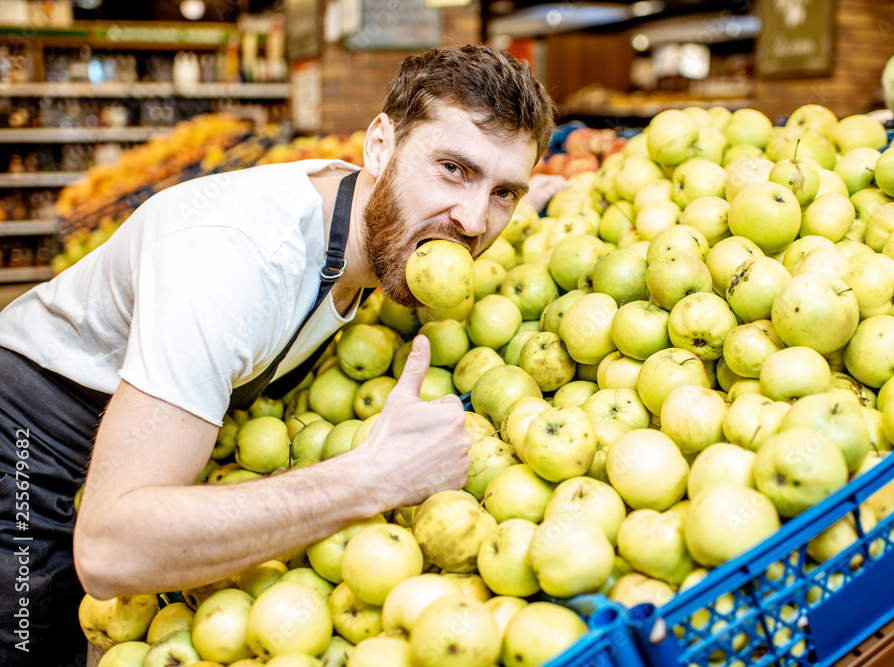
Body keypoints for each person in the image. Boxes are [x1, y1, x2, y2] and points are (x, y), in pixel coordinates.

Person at [0, 44, 558, 666]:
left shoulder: (377, 230)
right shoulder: (237, 258)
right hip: (31, 435)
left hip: (146, 436)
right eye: (453, 168)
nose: (476, 221)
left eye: (504, 191)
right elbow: (111, 553)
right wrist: (372, 476)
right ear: (380, 146)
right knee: (33, 647)